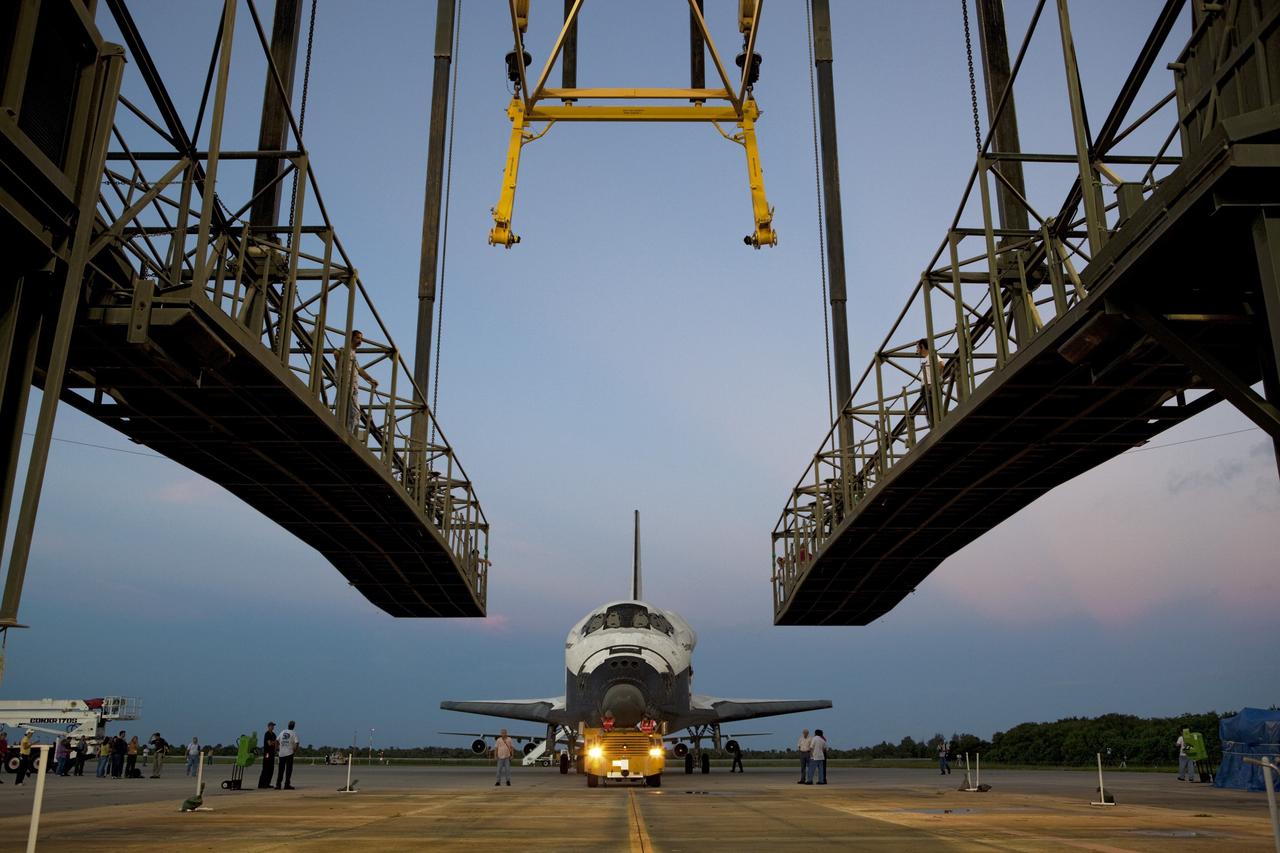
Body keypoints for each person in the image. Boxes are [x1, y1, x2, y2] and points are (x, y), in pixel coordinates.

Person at [345, 329, 377, 434]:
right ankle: (347, 434)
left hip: (353, 387)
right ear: (351, 338)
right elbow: (336, 353)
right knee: (354, 411)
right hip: (347, 385)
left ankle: (349, 432)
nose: (360, 341)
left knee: (353, 412)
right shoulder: (345, 350)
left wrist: (370, 379)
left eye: (361, 338)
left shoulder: (352, 354)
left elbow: (359, 370)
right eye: (358, 338)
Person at [917, 338, 943, 425]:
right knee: (930, 414)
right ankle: (935, 427)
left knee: (934, 412)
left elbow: (941, 364)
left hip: (930, 387)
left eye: (918, 348)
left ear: (922, 347)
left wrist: (934, 382)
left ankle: (938, 428)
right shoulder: (927, 359)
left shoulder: (932, 356)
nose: (917, 351)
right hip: (927, 388)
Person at [276, 721, 298, 789]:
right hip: (289, 753)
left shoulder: (282, 732)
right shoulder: (294, 733)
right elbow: (297, 743)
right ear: (293, 726)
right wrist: (294, 751)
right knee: (288, 770)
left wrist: (277, 749)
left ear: (288, 725)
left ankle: (278, 785)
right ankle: (287, 784)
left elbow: (277, 740)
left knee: (280, 770)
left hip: (281, 754)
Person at [258, 722, 278, 789]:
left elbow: (276, 744)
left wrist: (275, 750)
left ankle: (267, 783)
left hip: (272, 754)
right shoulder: (267, 734)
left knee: (271, 769)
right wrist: (274, 742)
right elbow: (269, 743)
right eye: (271, 726)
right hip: (267, 753)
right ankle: (261, 784)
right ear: (268, 726)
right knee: (265, 768)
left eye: (273, 726)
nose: (272, 727)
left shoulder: (274, 735)